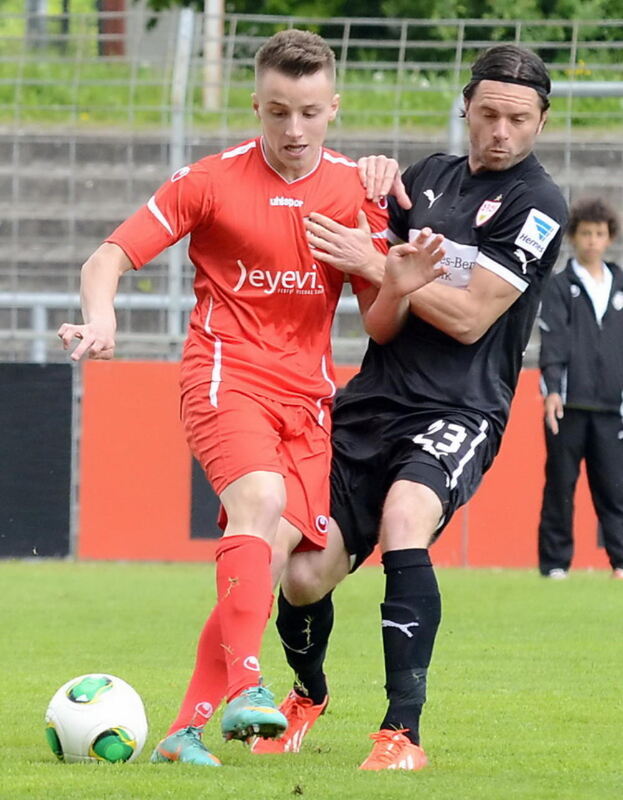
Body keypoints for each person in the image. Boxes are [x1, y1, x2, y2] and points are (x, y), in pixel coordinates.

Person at [57, 29, 445, 767]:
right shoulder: (209, 180)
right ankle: (247, 688)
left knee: (272, 565)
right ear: (255, 107)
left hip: (310, 399)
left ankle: (182, 732)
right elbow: (109, 254)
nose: (291, 130)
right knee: (258, 503)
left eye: (306, 112)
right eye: (275, 112)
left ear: (332, 107)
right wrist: (101, 315)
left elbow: (378, 319)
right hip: (224, 377)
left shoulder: (351, 191)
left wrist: (393, 271)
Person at [251, 43, 569, 770]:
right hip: (374, 400)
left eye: (517, 119)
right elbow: (382, 320)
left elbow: (467, 319)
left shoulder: (537, 205)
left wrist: (371, 262)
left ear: (539, 123)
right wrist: (380, 256)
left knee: (404, 520)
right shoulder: (425, 180)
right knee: (302, 575)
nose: (499, 130)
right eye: (487, 113)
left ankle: (402, 734)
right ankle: (307, 696)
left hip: (459, 410)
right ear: (466, 108)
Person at [537, 197, 623, 580]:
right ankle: (555, 564)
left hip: (611, 406)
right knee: (561, 485)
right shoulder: (559, 286)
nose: (592, 240)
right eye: (585, 233)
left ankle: (620, 561)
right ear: (573, 237)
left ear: (609, 238)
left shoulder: (621, 283)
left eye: (599, 234)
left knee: (614, 488)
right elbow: (552, 340)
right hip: (568, 405)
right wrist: (552, 390)